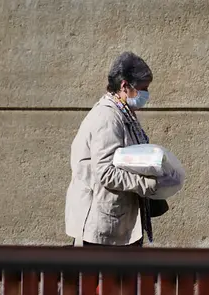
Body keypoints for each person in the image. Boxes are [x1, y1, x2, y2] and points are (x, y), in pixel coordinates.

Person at [64, 52, 177, 247]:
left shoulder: (123, 114)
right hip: (102, 229)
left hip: (117, 223)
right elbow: (106, 172)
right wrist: (148, 184)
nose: (146, 95)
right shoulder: (107, 117)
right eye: (143, 89)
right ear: (125, 86)